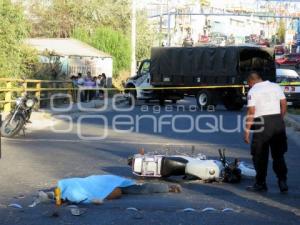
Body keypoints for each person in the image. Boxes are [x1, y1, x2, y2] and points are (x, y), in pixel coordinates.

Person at [244, 71, 288, 193]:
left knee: (259, 156)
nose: (249, 87)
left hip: (261, 124)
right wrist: (280, 119)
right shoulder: (276, 86)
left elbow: (251, 112)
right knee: (278, 155)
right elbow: (284, 105)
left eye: (249, 84)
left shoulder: (253, 91)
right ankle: (282, 181)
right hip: (277, 122)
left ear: (251, 81)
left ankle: (260, 184)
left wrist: (247, 132)